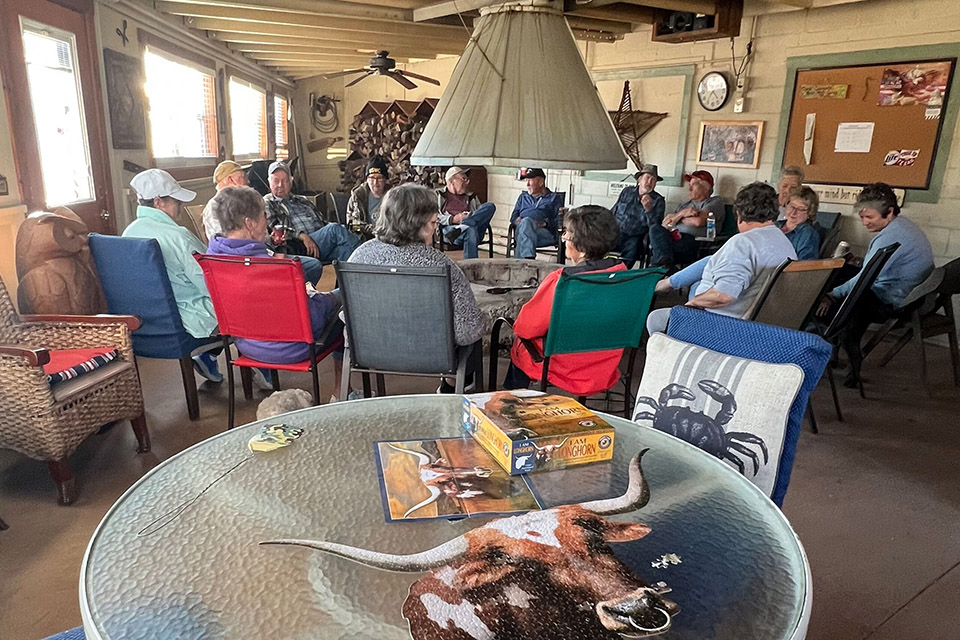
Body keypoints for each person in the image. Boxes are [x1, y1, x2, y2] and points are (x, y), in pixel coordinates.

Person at [348, 184, 486, 391]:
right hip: (431, 355)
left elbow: (347, 316)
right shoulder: (442, 265)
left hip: (370, 351)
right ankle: (450, 389)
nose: (435, 229)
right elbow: (467, 331)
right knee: (474, 332)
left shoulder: (359, 256)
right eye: (432, 223)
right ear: (416, 223)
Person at [206, 186, 341, 381]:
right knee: (346, 300)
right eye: (264, 217)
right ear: (249, 223)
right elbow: (312, 320)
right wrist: (326, 300)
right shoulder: (273, 267)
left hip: (246, 345)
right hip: (292, 347)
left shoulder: (212, 259)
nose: (267, 224)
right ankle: (343, 391)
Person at [818, 182, 934, 387]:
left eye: (870, 217)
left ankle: (842, 345)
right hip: (908, 290)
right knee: (841, 270)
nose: (864, 223)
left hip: (894, 298)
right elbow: (872, 270)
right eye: (862, 217)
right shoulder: (903, 226)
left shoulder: (889, 238)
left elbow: (865, 279)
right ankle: (835, 349)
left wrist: (832, 294)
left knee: (836, 295)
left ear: (889, 212)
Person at [503, 205, 626, 395]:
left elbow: (526, 328)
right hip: (604, 364)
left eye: (567, 235)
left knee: (520, 345)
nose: (564, 240)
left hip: (564, 366)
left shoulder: (563, 281)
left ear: (582, 248)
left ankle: (511, 402)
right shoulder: (625, 276)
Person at [647, 182, 797, 334]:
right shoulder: (784, 242)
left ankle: (658, 286)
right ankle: (665, 283)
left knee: (656, 318)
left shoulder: (743, 243)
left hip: (726, 327)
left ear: (739, 215)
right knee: (705, 270)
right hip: (763, 326)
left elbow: (723, 295)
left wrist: (692, 303)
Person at [122, 168, 222, 382]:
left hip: (143, 324)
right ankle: (264, 365)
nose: (180, 205)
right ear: (158, 202)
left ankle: (208, 357)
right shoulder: (178, 236)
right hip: (190, 321)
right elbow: (212, 282)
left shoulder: (127, 234)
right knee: (242, 304)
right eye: (176, 200)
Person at [264, 161, 360, 281]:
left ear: (291, 181)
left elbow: (322, 221)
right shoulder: (267, 202)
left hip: (319, 242)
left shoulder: (302, 200)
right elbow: (275, 228)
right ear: (269, 182)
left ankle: (348, 291)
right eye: (275, 181)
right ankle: (368, 264)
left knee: (345, 250)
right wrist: (302, 235)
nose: (280, 185)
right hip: (298, 245)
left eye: (284, 181)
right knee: (335, 229)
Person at [648, 170, 726, 270]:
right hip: (673, 238)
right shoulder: (685, 206)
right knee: (655, 228)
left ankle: (661, 268)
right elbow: (665, 224)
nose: (689, 188)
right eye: (690, 184)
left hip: (694, 244)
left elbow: (698, 222)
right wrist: (683, 213)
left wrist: (676, 218)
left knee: (660, 251)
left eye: (694, 184)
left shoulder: (715, 202)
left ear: (706, 188)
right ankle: (666, 266)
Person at [611, 163, 665, 268]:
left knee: (633, 248)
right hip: (615, 232)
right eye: (647, 178)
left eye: (653, 180)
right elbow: (614, 210)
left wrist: (649, 209)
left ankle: (621, 274)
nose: (650, 182)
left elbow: (656, 228)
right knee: (597, 242)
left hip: (635, 236)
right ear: (639, 180)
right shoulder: (627, 192)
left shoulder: (658, 200)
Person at [437, 166, 497, 259]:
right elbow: (433, 215)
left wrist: (469, 218)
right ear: (451, 181)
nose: (467, 182)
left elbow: (480, 214)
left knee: (490, 206)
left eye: (467, 179)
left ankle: (464, 225)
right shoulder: (438, 195)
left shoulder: (471, 196)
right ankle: (471, 268)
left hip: (472, 227)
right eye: (463, 179)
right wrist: (453, 219)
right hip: (450, 231)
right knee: (470, 230)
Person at [510, 168, 564, 259]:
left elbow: (559, 221)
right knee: (526, 224)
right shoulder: (523, 197)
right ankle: (528, 259)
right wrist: (517, 221)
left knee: (523, 235)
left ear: (540, 182)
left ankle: (521, 263)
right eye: (526, 181)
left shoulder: (553, 198)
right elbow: (513, 217)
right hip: (522, 229)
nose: (527, 185)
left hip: (543, 234)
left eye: (530, 181)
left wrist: (544, 223)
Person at [346, 156, 391, 237]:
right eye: (372, 178)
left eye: (379, 178)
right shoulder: (358, 196)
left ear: (385, 179)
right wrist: (370, 229)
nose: (375, 182)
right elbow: (351, 224)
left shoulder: (393, 196)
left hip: (389, 238)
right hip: (364, 239)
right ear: (367, 179)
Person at [776, 185, 822, 260]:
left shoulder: (807, 234)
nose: (793, 212)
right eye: (792, 206)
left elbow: (804, 265)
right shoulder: (775, 225)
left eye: (801, 209)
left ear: (810, 212)